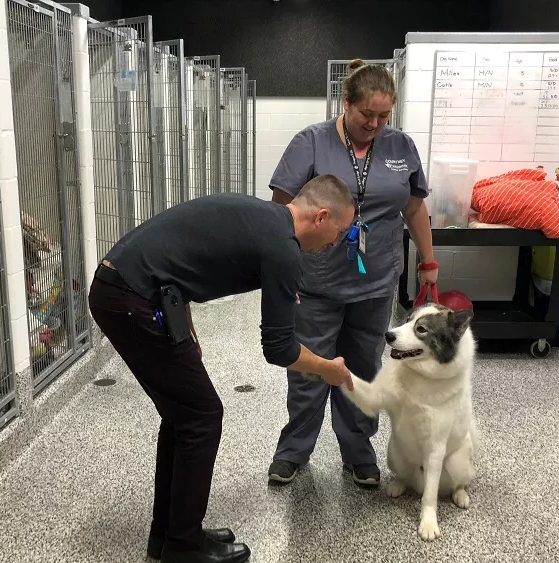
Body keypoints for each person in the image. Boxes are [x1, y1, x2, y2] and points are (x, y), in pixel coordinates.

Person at [88, 174, 356, 563]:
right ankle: (183, 547)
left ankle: (170, 536)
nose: (335, 243)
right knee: (201, 416)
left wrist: (185, 330)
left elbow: (184, 259)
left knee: (184, 416)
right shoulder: (283, 247)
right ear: (321, 216)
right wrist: (326, 369)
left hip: (127, 288)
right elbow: (278, 349)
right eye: (339, 231)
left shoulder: (265, 219)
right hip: (131, 296)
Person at [268, 59, 437, 487]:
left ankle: (358, 452)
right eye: (367, 115)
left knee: (363, 368)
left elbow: (414, 207)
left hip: (376, 282)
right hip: (316, 282)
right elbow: (280, 210)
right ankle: (293, 450)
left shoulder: (401, 147)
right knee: (310, 369)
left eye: (384, 116)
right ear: (346, 103)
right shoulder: (311, 141)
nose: (376, 124)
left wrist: (428, 262)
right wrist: (280, 272)